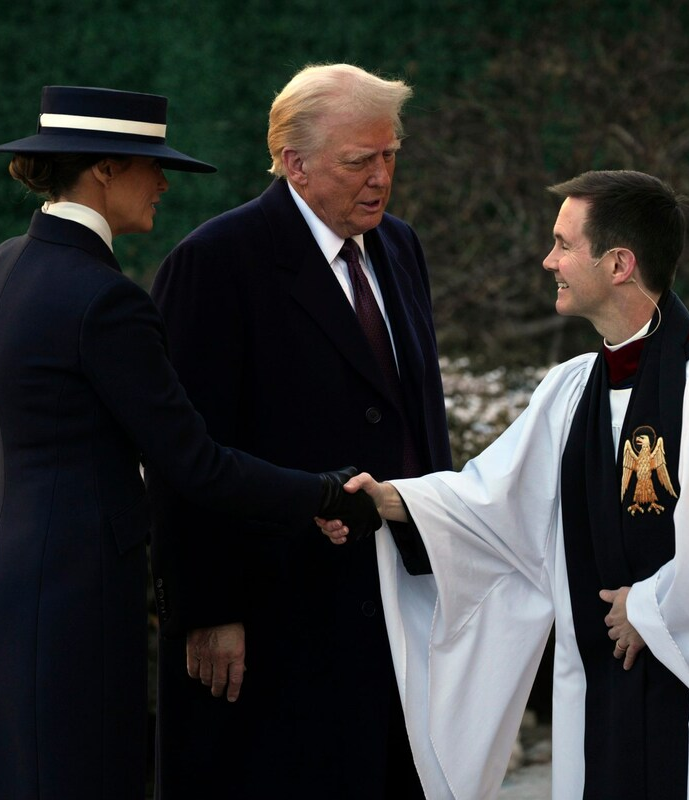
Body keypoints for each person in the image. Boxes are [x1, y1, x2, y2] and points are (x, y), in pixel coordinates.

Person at [321, 170, 689, 798]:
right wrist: (388, 499)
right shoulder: (572, 389)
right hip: (603, 694)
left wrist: (649, 609)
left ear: (618, 264)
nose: (547, 259)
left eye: (563, 243)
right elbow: (492, 503)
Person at [0, 85, 379, 800]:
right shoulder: (106, 299)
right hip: (76, 595)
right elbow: (195, 464)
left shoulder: (5, 266)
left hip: (2, 578)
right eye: (151, 166)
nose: (161, 183)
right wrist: (324, 490)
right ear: (104, 171)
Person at [147, 64, 451, 798]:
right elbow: (184, 456)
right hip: (275, 617)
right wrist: (209, 610)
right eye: (359, 161)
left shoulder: (400, 246)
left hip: (393, 605)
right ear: (295, 163)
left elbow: (417, 414)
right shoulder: (216, 263)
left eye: (390, 156)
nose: (380, 177)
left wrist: (439, 553)